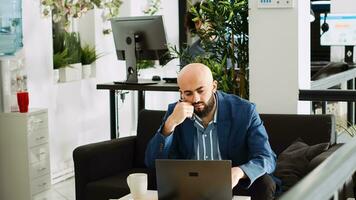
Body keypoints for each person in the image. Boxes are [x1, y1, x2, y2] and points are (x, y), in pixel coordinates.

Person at [145, 63, 277, 200]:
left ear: (214, 86)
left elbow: (267, 158)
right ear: (181, 93)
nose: (195, 99)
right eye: (188, 93)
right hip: (189, 183)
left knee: (265, 182)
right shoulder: (175, 112)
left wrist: (239, 172)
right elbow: (151, 162)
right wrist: (170, 124)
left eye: (200, 91)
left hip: (233, 183)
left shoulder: (244, 111)